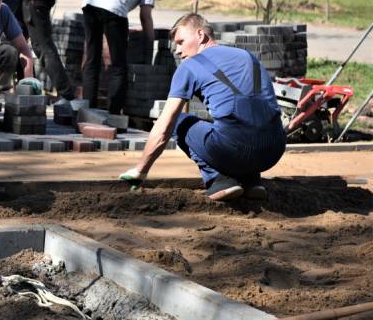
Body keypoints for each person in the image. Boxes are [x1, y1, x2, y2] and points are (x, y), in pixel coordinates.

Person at [119, 14, 286, 201]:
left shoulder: (189, 66)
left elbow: (164, 127)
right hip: (274, 149)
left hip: (234, 150)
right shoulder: (248, 56)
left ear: (200, 35)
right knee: (241, 123)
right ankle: (251, 182)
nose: (178, 51)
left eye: (181, 42)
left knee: (178, 121)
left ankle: (219, 180)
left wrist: (140, 170)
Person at [81, 0, 166, 112]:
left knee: (92, 60)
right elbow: (145, 15)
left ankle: (87, 111)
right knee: (118, 65)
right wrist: (151, 43)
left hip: (89, 2)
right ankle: (113, 114)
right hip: (113, 8)